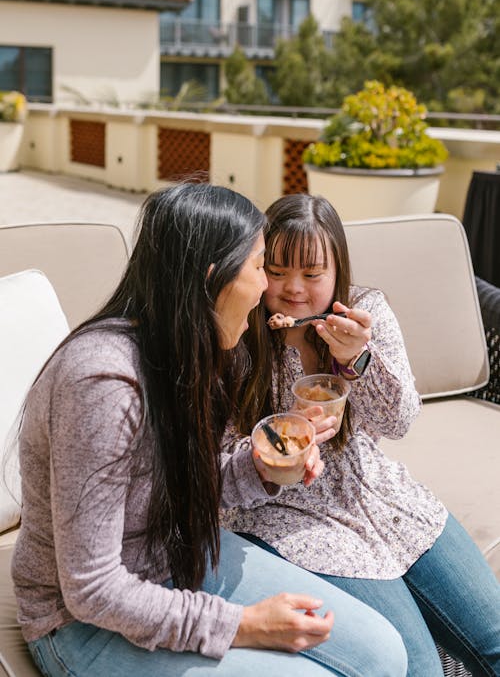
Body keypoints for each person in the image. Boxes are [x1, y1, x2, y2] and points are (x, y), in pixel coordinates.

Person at [11, 182, 408, 677]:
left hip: (179, 557)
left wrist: (260, 466)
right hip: (82, 624)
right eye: (263, 266)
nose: (271, 288)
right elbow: (92, 589)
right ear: (212, 276)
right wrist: (243, 624)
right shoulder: (102, 383)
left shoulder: (197, 350)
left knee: (385, 655)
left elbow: (190, 484)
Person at [221, 192, 500, 677]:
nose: (293, 289)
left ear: (337, 271)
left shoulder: (365, 313)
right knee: (419, 668)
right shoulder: (237, 331)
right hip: (289, 516)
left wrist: (357, 359)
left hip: (383, 495)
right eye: (278, 270)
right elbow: (218, 458)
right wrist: (284, 436)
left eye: (312, 274)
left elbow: (397, 422)